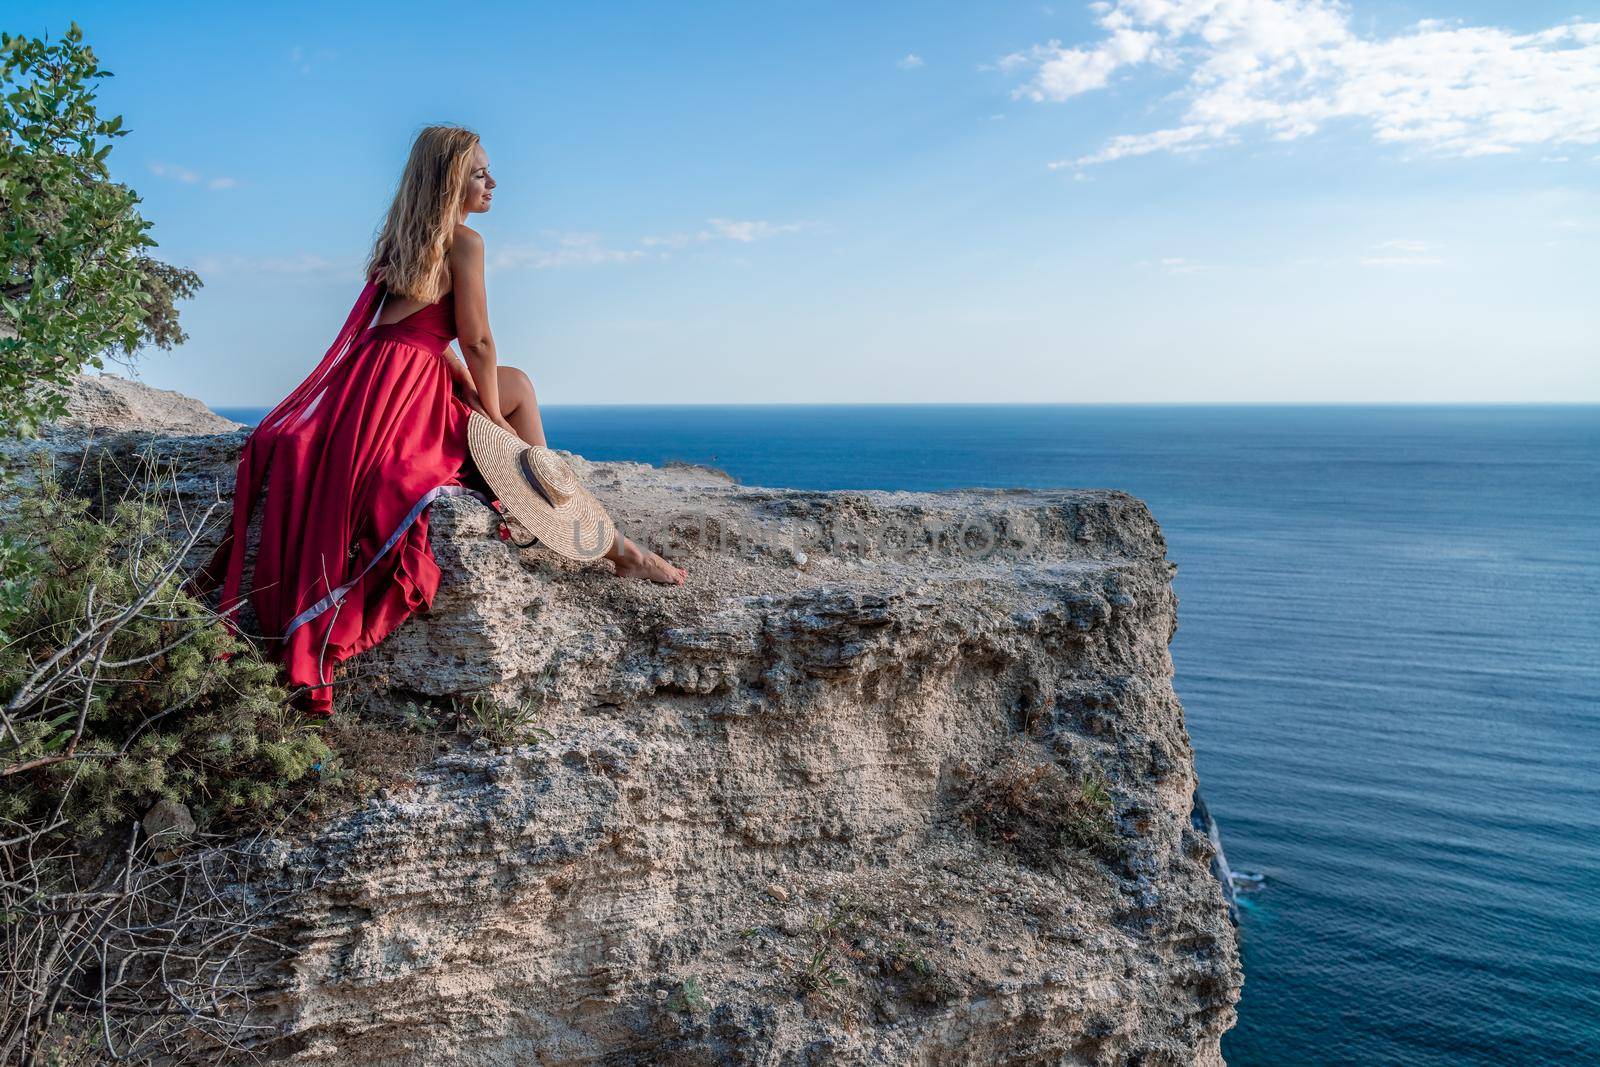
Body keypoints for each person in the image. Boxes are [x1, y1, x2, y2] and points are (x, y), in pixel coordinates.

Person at [188, 124, 686, 717]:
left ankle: (576, 518)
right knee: (515, 408)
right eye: (480, 173)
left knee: (519, 384)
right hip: (405, 392)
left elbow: (413, 331)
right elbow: (475, 339)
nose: (493, 182)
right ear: (452, 181)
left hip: (374, 380)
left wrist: (473, 391)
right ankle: (588, 530)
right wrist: (494, 421)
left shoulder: (401, 239)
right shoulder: (465, 242)